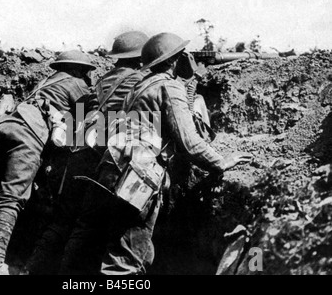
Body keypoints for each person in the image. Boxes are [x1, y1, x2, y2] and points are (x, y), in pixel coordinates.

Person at [60, 33, 252, 275]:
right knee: (126, 259)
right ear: (173, 60)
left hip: (109, 167)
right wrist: (220, 162)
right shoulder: (168, 86)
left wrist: (189, 80)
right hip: (136, 175)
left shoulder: (140, 84)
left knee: (87, 242)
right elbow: (189, 141)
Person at [27, 31, 150, 274]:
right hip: (109, 157)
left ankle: (33, 270)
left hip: (79, 153)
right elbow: (145, 121)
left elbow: (77, 119)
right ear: (140, 57)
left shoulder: (100, 82)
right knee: (104, 227)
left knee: (66, 222)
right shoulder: (141, 81)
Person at [0, 50, 95, 273]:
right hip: (27, 134)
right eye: (87, 72)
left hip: (5, 128)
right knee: (11, 197)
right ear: (79, 69)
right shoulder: (77, 84)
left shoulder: (46, 82)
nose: (88, 77)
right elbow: (83, 122)